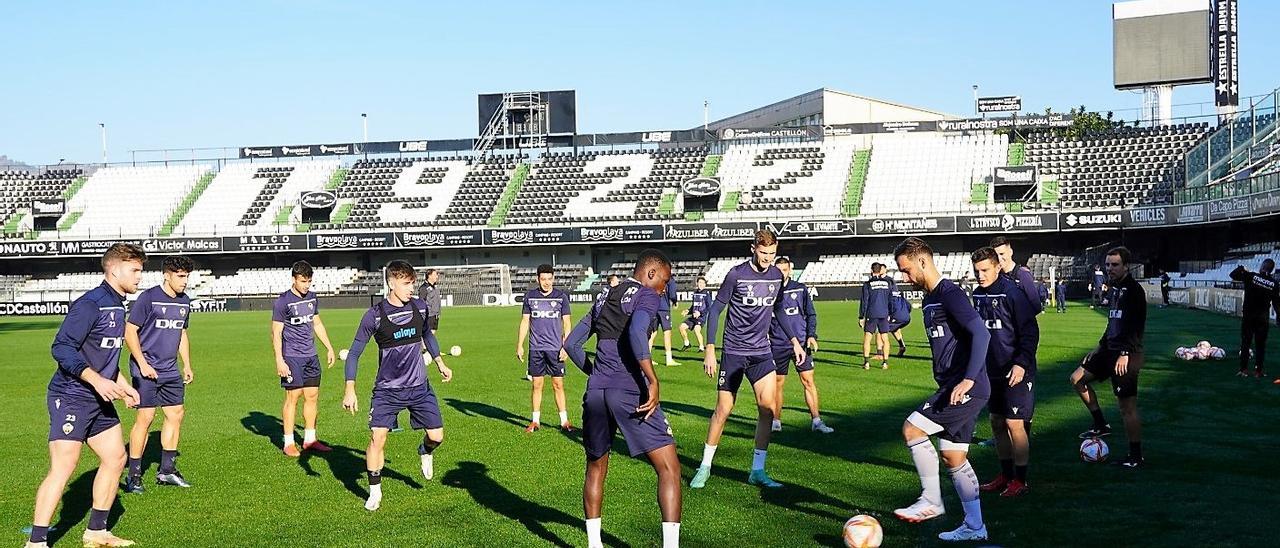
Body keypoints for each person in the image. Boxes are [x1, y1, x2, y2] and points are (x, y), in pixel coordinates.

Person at [28, 243, 146, 548]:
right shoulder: (90, 304)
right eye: (135, 270)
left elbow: (103, 357)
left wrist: (121, 384)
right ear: (114, 268)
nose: (139, 277)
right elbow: (62, 348)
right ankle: (37, 542)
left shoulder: (118, 305)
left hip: (98, 397)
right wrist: (97, 381)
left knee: (116, 457)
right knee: (64, 466)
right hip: (71, 395)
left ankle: (96, 533)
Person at [563, 249, 682, 548]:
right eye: (664, 280)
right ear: (651, 273)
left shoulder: (604, 296)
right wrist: (652, 378)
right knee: (669, 468)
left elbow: (572, 344)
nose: (664, 288)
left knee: (596, 465)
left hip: (596, 393)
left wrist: (595, 373)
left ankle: (594, 545)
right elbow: (637, 333)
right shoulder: (646, 295)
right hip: (628, 391)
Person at [891, 237, 990, 542]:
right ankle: (975, 527)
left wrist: (968, 379)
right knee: (953, 456)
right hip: (953, 385)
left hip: (965, 388)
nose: (905, 279)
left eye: (907, 271)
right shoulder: (932, 298)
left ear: (922, 261)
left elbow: (981, 334)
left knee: (912, 429)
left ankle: (931, 500)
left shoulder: (950, 293)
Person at [690, 229, 806, 489]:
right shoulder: (736, 274)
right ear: (753, 248)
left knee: (767, 409)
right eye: (764, 253)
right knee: (724, 410)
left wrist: (795, 341)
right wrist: (710, 348)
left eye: (772, 254)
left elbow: (778, 309)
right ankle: (705, 466)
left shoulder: (777, 275)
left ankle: (757, 470)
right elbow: (717, 309)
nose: (767, 258)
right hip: (733, 352)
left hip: (761, 352)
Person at [343, 260, 454, 511]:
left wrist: (440, 363)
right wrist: (350, 388)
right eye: (406, 283)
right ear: (391, 283)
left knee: (437, 436)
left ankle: (425, 451)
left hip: (419, 387)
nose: (411, 288)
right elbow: (353, 354)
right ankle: (375, 492)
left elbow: (427, 336)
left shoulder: (420, 307)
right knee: (377, 437)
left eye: (413, 282)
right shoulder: (375, 315)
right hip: (387, 390)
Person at [970, 248, 1039, 498]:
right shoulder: (977, 294)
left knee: (1014, 423)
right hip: (992, 371)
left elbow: (1030, 332)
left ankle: (1020, 480)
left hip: (1017, 370)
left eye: (985, 270)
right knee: (997, 422)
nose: (980, 275)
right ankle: (1005, 475)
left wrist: (1021, 363)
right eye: (977, 271)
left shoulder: (1013, 294)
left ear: (998, 267)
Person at [1070, 247, 1148, 468]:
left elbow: (1135, 327)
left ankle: (1135, 457)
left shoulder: (1134, 291)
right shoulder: (1114, 289)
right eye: (1107, 264)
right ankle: (1101, 424)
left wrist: (1124, 354)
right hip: (1108, 350)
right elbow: (1113, 322)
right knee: (1077, 378)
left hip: (1126, 354)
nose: (1110, 269)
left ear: (1126, 266)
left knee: (1127, 407)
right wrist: (1099, 346)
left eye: (1114, 265)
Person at [124, 256, 196, 493]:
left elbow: (181, 333)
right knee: (145, 419)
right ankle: (133, 474)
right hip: (146, 368)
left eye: (187, 276)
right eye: (181, 276)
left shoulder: (185, 301)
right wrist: (142, 364)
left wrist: (186, 364)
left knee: (176, 414)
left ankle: (167, 470)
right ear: (167, 275)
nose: (185, 281)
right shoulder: (148, 297)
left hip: (170, 369)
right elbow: (130, 331)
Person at [271, 260, 338, 457]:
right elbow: (276, 333)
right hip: (292, 356)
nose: (306, 285)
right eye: (303, 281)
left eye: (309, 281)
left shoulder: (312, 298)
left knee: (312, 396)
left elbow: (317, 324)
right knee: (293, 397)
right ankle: (289, 442)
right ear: (294, 279)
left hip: (311, 355)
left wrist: (329, 347)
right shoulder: (283, 301)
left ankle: (310, 439)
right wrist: (279, 360)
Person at [769, 257, 832, 434]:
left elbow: (811, 314)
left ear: (790, 270)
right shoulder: (769, 291)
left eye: (785, 270)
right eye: (778, 270)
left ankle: (817, 421)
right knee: (778, 383)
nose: (782, 273)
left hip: (801, 343)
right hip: (778, 344)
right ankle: (776, 421)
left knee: (808, 381)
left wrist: (811, 336)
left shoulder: (800, 288)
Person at [516, 264, 575, 432]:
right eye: (543, 279)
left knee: (558, 384)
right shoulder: (530, 297)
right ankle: (535, 421)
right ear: (538, 279)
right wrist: (520, 345)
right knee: (537, 385)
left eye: (549, 279)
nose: (547, 282)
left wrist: (566, 346)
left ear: (553, 278)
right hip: (536, 349)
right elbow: (525, 321)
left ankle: (564, 421)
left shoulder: (561, 297)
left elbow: (567, 323)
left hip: (555, 349)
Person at [1229, 260, 1279, 378]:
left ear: (1262, 266)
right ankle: (1258, 371)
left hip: (1248, 316)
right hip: (1262, 318)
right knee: (1260, 345)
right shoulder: (1274, 283)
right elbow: (1277, 303)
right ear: (1271, 270)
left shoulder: (1251, 276)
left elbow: (1233, 275)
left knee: (1246, 342)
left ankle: (1243, 369)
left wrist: (1241, 268)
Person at [989, 236, 1043, 315]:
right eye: (996, 255)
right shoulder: (996, 277)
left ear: (1011, 252)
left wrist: (1018, 319)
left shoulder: (1023, 275)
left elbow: (1036, 306)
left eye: (1002, 254)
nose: (999, 258)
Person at [860, 262, 893, 370]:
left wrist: (861, 316)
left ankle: (866, 363)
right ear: (880, 270)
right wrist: (890, 313)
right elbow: (890, 300)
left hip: (872, 313)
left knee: (867, 338)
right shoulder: (887, 283)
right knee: (885, 338)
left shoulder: (868, 284)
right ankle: (885, 362)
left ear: (871, 270)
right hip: (884, 313)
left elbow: (864, 301)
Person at [649, 277, 680, 367]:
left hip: (654, 307)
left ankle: (648, 358)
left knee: (652, 333)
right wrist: (675, 302)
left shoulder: (655, 278)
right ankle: (669, 359)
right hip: (664, 308)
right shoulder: (670, 279)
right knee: (667, 332)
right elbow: (672, 294)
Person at [679, 276, 712, 351]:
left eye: (702, 283)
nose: (701, 284)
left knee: (697, 329)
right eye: (699, 282)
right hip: (693, 317)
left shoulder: (706, 294)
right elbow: (693, 306)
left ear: (705, 284)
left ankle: (701, 347)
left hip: (701, 317)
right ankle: (687, 344)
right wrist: (688, 311)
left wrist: (700, 313)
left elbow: (709, 307)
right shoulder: (695, 293)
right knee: (682, 327)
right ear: (697, 283)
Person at [885, 288, 911, 356]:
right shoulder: (899, 294)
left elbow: (890, 305)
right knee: (894, 328)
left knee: (881, 330)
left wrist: (889, 315)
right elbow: (909, 305)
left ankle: (880, 353)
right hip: (907, 317)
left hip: (897, 316)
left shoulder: (887, 294)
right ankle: (902, 346)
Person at [418, 268, 442, 335]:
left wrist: (438, 312)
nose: (437, 276)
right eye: (435, 275)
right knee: (427, 335)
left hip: (435, 315)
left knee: (432, 334)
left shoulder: (435, 287)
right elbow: (421, 302)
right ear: (429, 275)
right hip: (429, 316)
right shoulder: (424, 288)